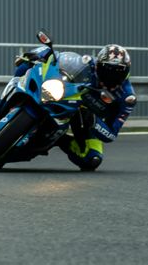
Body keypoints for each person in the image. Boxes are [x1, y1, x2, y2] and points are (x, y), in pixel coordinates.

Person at [13, 42, 136, 170]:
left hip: (86, 121)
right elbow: (58, 56)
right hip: (64, 97)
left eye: (118, 72)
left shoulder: (127, 98)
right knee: (30, 63)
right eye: (106, 69)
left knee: (92, 159)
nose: (111, 75)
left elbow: (111, 134)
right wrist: (38, 55)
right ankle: (14, 92)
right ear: (98, 65)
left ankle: (60, 140)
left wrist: (94, 122)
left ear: (126, 72)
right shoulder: (87, 63)